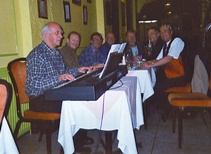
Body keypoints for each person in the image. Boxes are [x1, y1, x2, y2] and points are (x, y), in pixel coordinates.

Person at [25, 22, 93, 153]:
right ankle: (69, 147)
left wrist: (78, 70)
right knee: (74, 105)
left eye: (61, 33)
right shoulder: (37, 55)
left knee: (83, 99)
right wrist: (59, 78)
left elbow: (64, 71)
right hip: (39, 99)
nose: (61, 36)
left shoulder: (55, 53)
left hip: (54, 94)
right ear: (46, 34)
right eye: (57, 32)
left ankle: (77, 142)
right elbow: (34, 84)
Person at [143, 24, 187, 119]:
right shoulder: (165, 46)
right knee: (155, 83)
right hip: (171, 75)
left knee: (157, 86)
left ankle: (169, 110)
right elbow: (157, 59)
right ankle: (166, 109)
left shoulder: (177, 41)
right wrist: (143, 62)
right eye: (161, 32)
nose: (163, 34)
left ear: (171, 32)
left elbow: (168, 58)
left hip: (180, 76)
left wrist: (151, 65)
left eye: (165, 31)